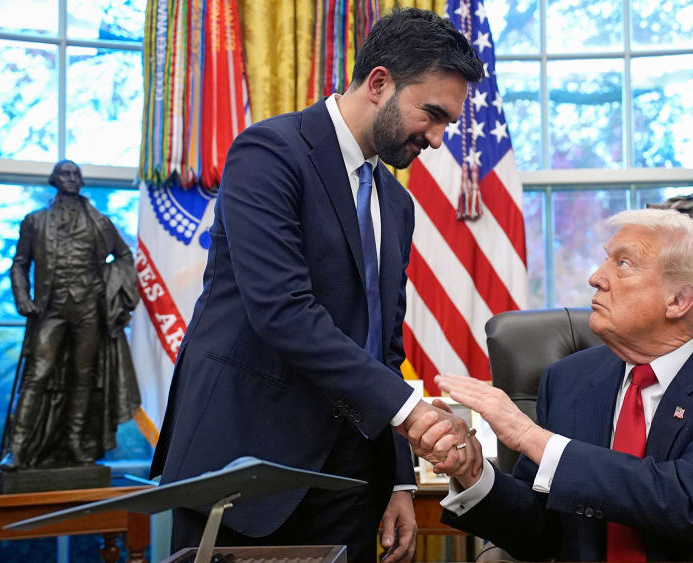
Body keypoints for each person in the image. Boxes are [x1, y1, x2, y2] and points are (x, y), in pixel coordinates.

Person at [149, 9, 484, 562]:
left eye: (447, 121)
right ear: (379, 83)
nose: (439, 138)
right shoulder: (269, 152)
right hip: (247, 466)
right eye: (432, 114)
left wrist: (398, 481)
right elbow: (282, 310)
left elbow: (383, 345)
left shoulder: (397, 204)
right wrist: (414, 413)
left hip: (351, 480)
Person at [428, 209, 693, 561]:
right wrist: (473, 472)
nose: (596, 276)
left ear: (678, 301)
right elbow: (541, 533)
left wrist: (530, 437)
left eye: (622, 263)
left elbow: (686, 504)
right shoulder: (568, 380)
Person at [5, 159, 140, 470]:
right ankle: (18, 449)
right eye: (66, 173)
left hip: (88, 308)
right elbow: (19, 264)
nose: (72, 178)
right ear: (54, 179)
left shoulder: (100, 222)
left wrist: (108, 285)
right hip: (50, 309)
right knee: (37, 374)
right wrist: (23, 298)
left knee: (84, 377)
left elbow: (124, 256)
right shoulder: (35, 221)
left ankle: (75, 444)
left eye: (76, 174)